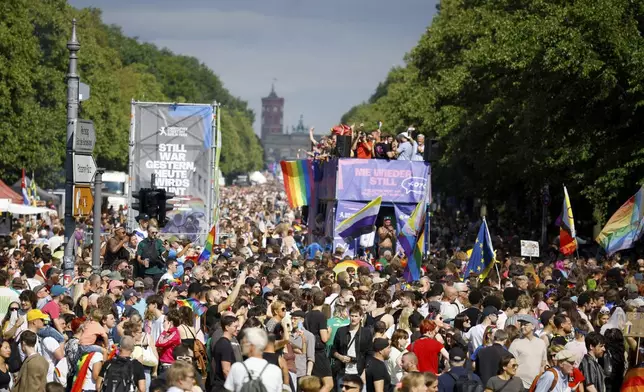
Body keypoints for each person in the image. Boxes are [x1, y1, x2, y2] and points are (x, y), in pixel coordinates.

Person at [223, 327, 283, 392]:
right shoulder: (275, 370)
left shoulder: (237, 367)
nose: (241, 345)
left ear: (252, 346)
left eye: (244, 342)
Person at [509, 317, 547, 389]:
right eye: (522, 325)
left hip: (536, 384)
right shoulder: (516, 343)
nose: (522, 327)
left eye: (525, 325)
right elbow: (510, 364)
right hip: (519, 385)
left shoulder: (541, 343)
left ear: (533, 326)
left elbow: (543, 364)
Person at [211, 315, 239, 390]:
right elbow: (226, 370)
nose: (237, 329)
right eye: (235, 327)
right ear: (227, 327)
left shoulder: (223, 342)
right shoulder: (224, 344)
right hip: (222, 386)